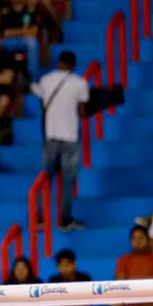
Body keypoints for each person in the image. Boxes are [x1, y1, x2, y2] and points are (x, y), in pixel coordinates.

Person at [31, 50, 88, 231]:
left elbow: (43, 106)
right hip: (70, 136)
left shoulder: (46, 80)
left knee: (45, 177)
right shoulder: (80, 83)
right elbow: (82, 112)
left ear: (59, 62)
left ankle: (40, 218)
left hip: (51, 136)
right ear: (73, 65)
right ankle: (65, 219)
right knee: (68, 179)